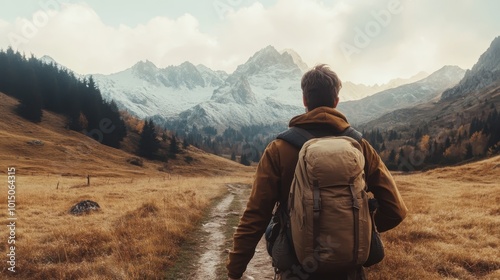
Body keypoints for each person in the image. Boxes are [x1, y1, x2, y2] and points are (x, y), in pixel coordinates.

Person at [227, 64, 408, 280]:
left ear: (304, 100)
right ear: (336, 101)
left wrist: (234, 271)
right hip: (349, 273)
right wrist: (355, 229)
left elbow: (256, 216)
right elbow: (396, 210)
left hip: (296, 270)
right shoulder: (360, 146)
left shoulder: (278, 149)